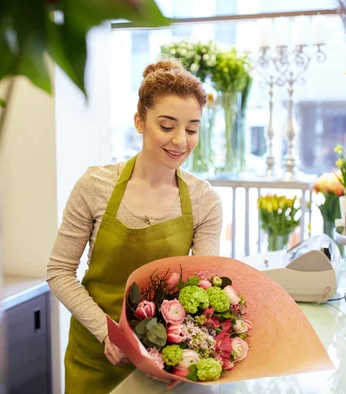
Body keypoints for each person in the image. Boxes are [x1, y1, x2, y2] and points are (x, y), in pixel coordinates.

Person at [47, 58, 223, 394]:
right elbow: (59, 271)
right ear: (139, 121)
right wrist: (106, 332)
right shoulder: (95, 185)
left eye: (191, 128)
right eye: (167, 126)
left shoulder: (205, 200)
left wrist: (177, 354)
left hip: (166, 364)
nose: (181, 141)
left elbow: (203, 291)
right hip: (95, 359)